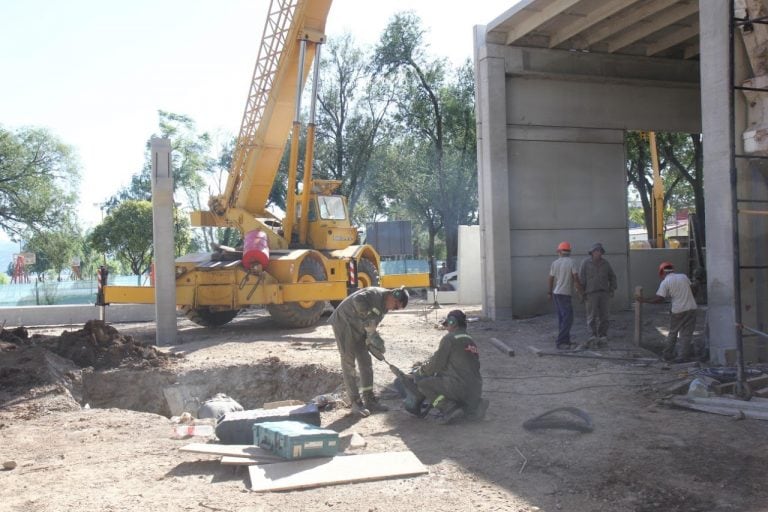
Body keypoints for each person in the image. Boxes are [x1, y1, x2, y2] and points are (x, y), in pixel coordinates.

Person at [329, 286, 409, 417]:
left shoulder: (385, 307)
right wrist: (367, 321)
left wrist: (371, 340)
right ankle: (355, 402)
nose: (393, 309)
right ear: (393, 295)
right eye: (395, 306)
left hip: (359, 328)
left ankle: (369, 399)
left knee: (365, 361)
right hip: (344, 323)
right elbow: (357, 299)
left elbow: (373, 324)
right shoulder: (375, 294)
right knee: (348, 362)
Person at [412, 310, 487, 425]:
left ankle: (449, 408)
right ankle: (473, 406)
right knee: (449, 382)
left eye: (448, 324)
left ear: (453, 322)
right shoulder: (470, 339)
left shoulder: (450, 339)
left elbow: (436, 364)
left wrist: (420, 371)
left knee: (424, 384)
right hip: (476, 389)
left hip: (459, 387)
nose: (447, 327)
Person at [635, 262, 698, 362]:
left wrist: (643, 300)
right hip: (692, 308)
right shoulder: (683, 276)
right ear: (672, 270)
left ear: (662, 273)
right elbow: (692, 289)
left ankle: (667, 355)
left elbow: (659, 299)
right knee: (686, 334)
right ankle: (683, 356)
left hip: (678, 310)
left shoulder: (666, 282)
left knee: (673, 332)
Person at [578, 242, 617, 348]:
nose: (598, 253)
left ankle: (603, 334)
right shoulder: (585, 263)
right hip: (590, 294)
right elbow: (581, 280)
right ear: (592, 252)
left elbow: (612, 276)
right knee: (591, 316)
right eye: (596, 251)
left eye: (600, 251)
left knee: (604, 315)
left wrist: (612, 288)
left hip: (604, 293)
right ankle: (593, 335)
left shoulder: (606, 263)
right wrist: (581, 293)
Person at [548, 241, 582, 349]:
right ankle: (560, 342)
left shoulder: (555, 263)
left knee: (562, 318)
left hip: (556, 293)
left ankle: (566, 341)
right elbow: (576, 278)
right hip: (564, 294)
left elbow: (550, 278)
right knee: (568, 318)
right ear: (569, 251)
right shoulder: (571, 262)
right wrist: (581, 292)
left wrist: (549, 292)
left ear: (559, 251)